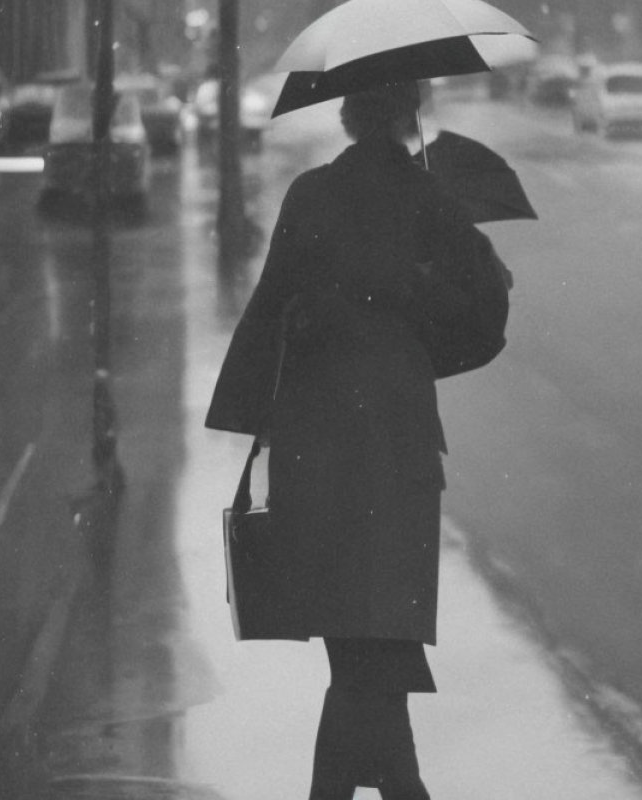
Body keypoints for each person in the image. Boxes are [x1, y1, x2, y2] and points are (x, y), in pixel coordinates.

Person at [206, 81, 508, 800]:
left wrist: (257, 404)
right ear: (410, 115)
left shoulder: (311, 195)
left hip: (317, 443)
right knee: (380, 641)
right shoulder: (430, 202)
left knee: (361, 643)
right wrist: (421, 331)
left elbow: (272, 310)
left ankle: (393, 788)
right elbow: (484, 318)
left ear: (348, 117)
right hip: (394, 444)